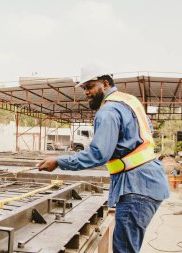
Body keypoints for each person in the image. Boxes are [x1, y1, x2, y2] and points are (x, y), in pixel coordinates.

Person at [36, 64, 170, 253]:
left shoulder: (107, 111)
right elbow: (146, 131)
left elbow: (98, 154)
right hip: (147, 183)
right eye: (84, 88)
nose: (87, 93)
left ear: (105, 84)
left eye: (90, 86)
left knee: (124, 249)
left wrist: (58, 161)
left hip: (136, 188)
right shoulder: (129, 101)